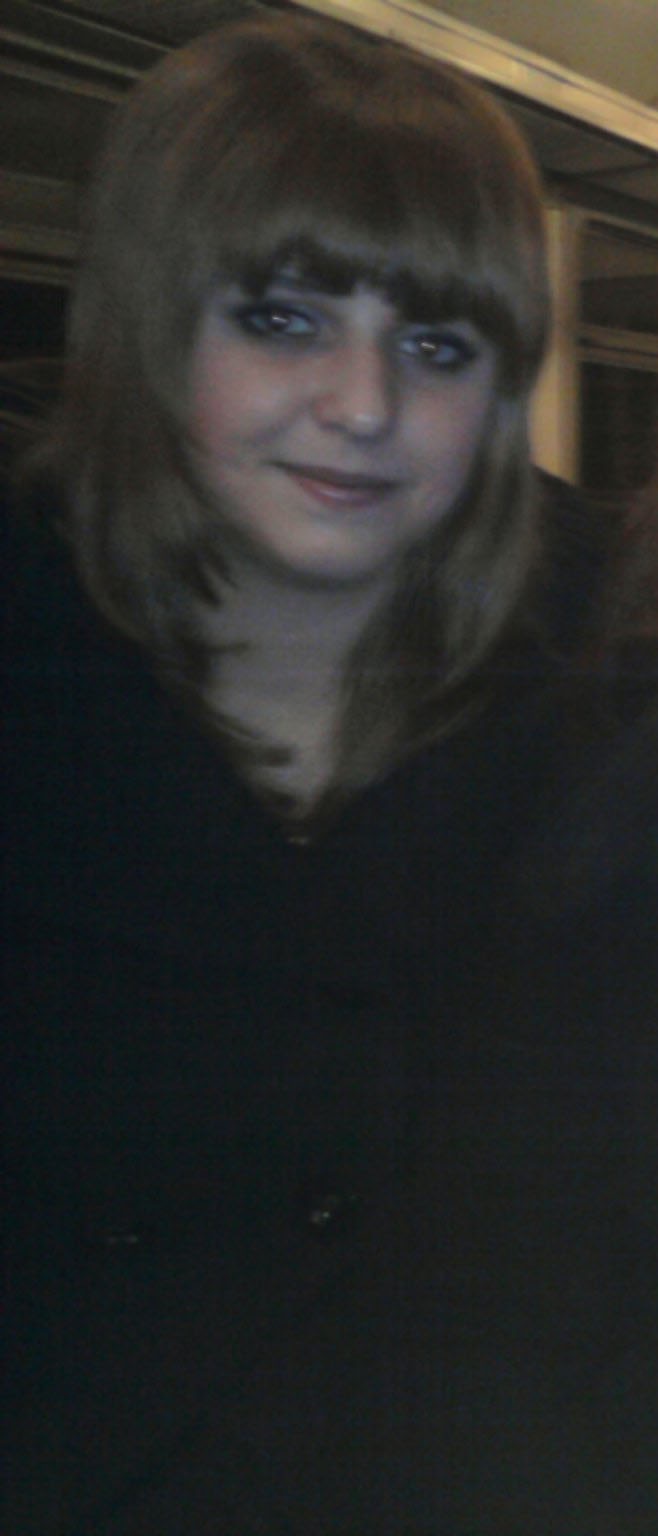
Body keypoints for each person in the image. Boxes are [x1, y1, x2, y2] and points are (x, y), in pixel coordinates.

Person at [3, 12, 657, 1533]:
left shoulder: (601, 725)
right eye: (284, 319)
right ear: (147, 327)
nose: (363, 406)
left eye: (436, 347)